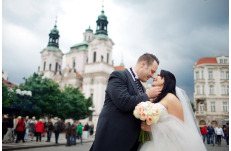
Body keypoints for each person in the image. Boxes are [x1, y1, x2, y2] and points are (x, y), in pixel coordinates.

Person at [90, 53, 161, 151]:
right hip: (112, 140)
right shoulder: (119, 75)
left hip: (131, 143)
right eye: (152, 71)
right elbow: (123, 102)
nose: (152, 76)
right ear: (143, 64)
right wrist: (148, 95)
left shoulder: (142, 87)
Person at [139, 70, 207, 151]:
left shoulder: (171, 98)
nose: (154, 77)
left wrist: (152, 128)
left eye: (158, 75)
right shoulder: (155, 99)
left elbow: (179, 126)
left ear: (166, 79)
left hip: (167, 145)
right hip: (153, 142)